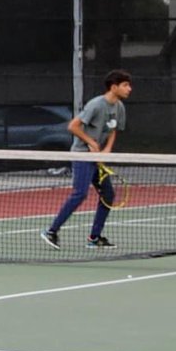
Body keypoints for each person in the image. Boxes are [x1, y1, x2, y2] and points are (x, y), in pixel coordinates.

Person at [42, 69, 133, 250]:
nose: (129, 89)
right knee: (80, 193)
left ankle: (94, 237)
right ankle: (51, 231)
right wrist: (91, 142)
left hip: (96, 157)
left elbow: (113, 130)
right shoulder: (96, 105)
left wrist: (106, 149)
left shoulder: (119, 107)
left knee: (108, 195)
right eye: (125, 85)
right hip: (81, 155)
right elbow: (73, 126)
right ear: (114, 87)